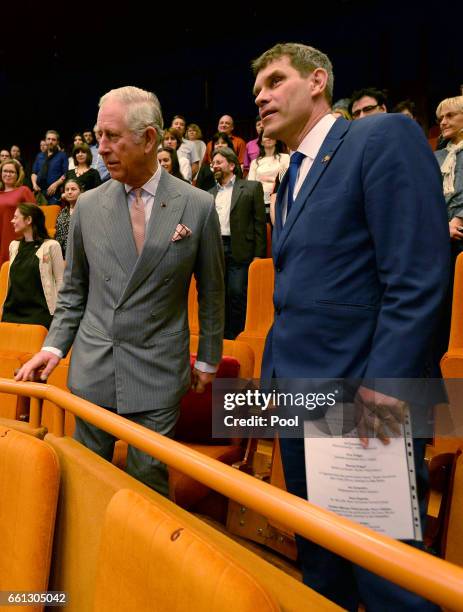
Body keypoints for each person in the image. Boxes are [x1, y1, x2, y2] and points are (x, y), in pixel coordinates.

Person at [252, 42, 449, 611]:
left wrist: (385, 391)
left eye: (274, 80)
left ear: (318, 82)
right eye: (256, 89)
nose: (260, 96)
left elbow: (418, 276)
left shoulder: (379, 136)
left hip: (364, 409)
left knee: (388, 584)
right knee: (322, 569)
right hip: (298, 403)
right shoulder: (290, 176)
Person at [16, 85, 224, 498]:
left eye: (112, 137)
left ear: (149, 139)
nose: (101, 147)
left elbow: (212, 292)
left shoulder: (197, 206)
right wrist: (54, 348)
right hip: (94, 370)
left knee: (147, 490)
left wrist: (209, 359)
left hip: (158, 371)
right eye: (98, 136)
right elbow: (74, 291)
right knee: (86, 487)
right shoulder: (88, 206)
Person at [209, 146, 266, 339]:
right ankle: (222, 337)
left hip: (240, 249)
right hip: (216, 249)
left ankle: (237, 336)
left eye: (218, 162)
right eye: (213, 163)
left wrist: (259, 255)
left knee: (236, 293)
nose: (214, 166)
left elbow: (259, 223)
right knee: (219, 295)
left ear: (232, 165)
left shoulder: (251, 187)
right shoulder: (209, 194)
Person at [1, 203, 64, 329]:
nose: (12, 221)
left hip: (40, 314)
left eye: (16, 217)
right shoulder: (14, 245)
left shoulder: (52, 245)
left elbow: (60, 281)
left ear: (28, 220)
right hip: (12, 313)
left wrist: (60, 314)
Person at [0, 158, 36, 265]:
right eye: (5, 171)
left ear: (17, 175)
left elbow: (35, 215)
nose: (8, 174)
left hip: (17, 238)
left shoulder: (23, 190)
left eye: (11, 172)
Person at [247, 134, 289, 220]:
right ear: (261, 142)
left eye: (272, 135)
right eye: (265, 136)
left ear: (276, 140)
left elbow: (286, 179)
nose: (269, 138)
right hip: (260, 201)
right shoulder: (255, 162)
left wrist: (269, 179)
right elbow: (251, 184)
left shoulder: (285, 157)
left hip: (280, 199)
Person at [31, 130, 68, 204]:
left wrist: (56, 184)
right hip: (39, 193)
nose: (50, 141)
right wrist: (34, 184)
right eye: (48, 139)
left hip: (54, 193)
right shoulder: (39, 155)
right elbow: (34, 173)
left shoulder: (62, 155)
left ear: (57, 142)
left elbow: (66, 174)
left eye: (53, 140)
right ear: (45, 140)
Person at [55, 179, 83, 257]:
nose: (69, 192)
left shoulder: (86, 210)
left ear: (81, 192)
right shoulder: (63, 212)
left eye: (73, 189)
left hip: (80, 254)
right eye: (67, 190)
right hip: (62, 253)